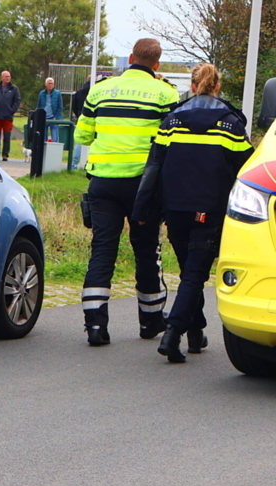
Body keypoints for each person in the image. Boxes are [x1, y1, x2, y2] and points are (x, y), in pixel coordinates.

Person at [131, 63, 253, 362]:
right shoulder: (231, 123)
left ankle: (196, 331)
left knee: (190, 272)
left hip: (174, 208)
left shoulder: (172, 120)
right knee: (195, 274)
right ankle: (174, 334)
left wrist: (141, 208)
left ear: (193, 85)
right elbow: (246, 172)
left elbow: (153, 168)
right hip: (208, 208)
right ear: (217, 86)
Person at [74, 38, 180, 346]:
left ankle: (95, 324)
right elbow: (172, 140)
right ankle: (150, 321)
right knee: (146, 249)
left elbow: (82, 134)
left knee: (102, 249)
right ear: (157, 64)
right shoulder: (165, 93)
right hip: (143, 186)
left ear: (131, 58)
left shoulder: (100, 90)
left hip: (103, 182)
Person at [0, 71, 21, 160]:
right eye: (6, 76)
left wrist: (12, 111)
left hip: (8, 116)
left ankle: (5, 155)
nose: (7, 78)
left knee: (7, 137)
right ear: (2, 77)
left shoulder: (14, 89)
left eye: (9, 76)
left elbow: (17, 101)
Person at [37, 77, 64, 142]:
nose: (50, 85)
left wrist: (56, 117)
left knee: (55, 137)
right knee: (43, 138)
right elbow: (39, 106)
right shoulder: (41, 93)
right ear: (46, 84)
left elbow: (60, 107)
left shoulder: (57, 93)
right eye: (49, 83)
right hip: (44, 118)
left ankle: (54, 151)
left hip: (53, 118)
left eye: (52, 83)